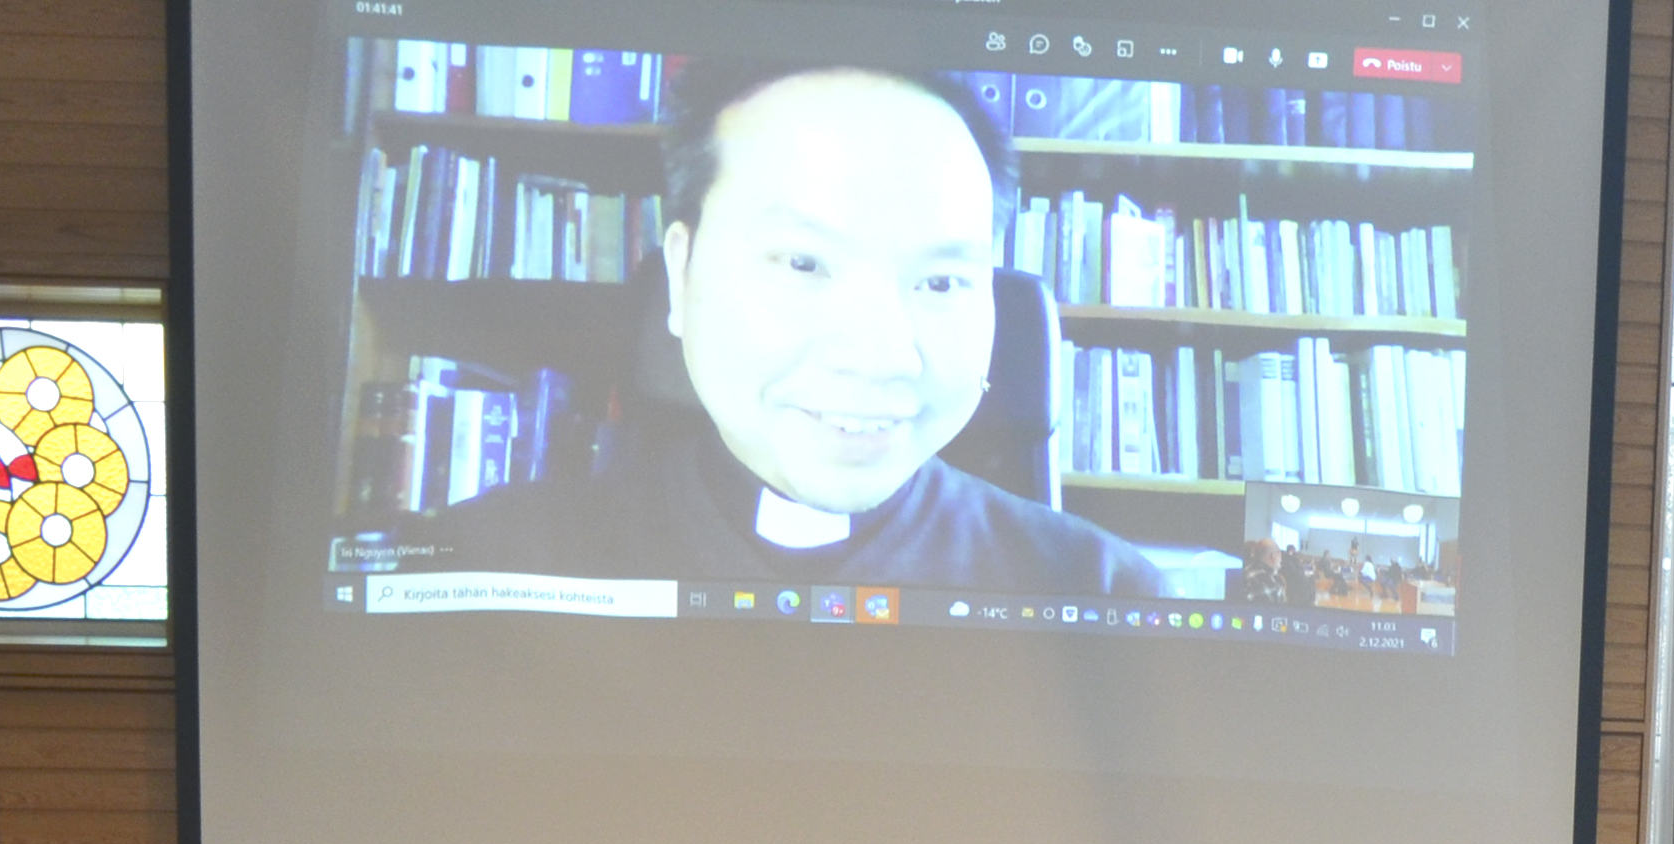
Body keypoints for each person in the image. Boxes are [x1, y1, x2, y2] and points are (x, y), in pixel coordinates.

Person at [458, 62, 1170, 600]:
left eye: (942, 281)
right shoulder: (485, 567)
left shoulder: (1108, 595)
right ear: (681, 275)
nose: (880, 358)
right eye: (803, 263)